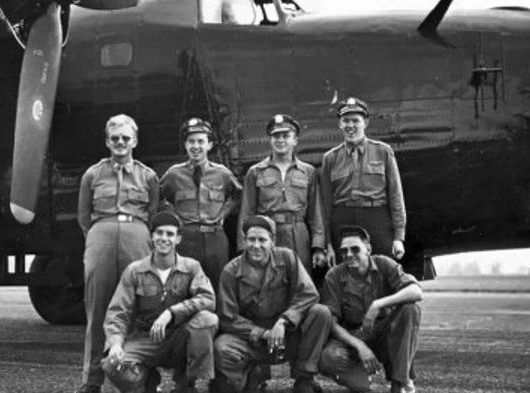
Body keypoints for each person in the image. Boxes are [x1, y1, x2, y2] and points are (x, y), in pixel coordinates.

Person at [74, 114, 159, 393]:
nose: (120, 143)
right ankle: (91, 379)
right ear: (107, 142)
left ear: (134, 141)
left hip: (137, 234)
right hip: (102, 234)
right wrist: (100, 236)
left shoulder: (148, 176)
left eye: (125, 138)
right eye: (115, 138)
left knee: (141, 305)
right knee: (97, 307)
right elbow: (84, 217)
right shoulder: (92, 175)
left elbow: (154, 212)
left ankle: (140, 378)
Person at [101, 212, 217, 393]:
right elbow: (118, 312)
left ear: (178, 238)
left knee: (207, 320)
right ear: (151, 237)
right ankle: (147, 380)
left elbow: (208, 299)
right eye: (160, 233)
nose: (164, 239)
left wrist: (172, 313)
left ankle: (188, 385)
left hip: (180, 337)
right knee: (111, 366)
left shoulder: (191, 267)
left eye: (170, 234)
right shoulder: (135, 271)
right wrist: (115, 344)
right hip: (147, 339)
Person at [214, 215, 333, 393]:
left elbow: (309, 294)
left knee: (320, 313)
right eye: (251, 239)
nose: (256, 245)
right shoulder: (231, 271)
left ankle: (304, 379)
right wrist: (262, 333)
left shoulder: (287, 257)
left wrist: (284, 321)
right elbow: (228, 318)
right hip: (253, 340)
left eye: (262, 240)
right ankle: (252, 374)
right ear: (244, 241)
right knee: (222, 348)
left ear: (272, 241)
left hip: (288, 335)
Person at [319, 225, 422, 393]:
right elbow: (331, 323)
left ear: (368, 249)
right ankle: (360, 381)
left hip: (384, 334)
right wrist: (360, 346)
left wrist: (378, 304)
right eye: (344, 251)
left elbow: (416, 291)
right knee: (328, 358)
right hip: (354, 336)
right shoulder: (333, 276)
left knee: (410, 310)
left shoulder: (384, 263)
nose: (348, 254)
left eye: (355, 249)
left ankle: (399, 383)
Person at [237, 113, 328, 288]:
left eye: (286, 136)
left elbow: (316, 213)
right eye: (276, 136)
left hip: (299, 233)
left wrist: (318, 247)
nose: (280, 140)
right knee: (269, 283)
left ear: (295, 140)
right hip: (267, 235)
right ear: (270, 140)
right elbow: (246, 213)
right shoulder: (255, 172)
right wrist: (243, 248)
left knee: (301, 282)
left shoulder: (308, 172)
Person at [158, 118, 242, 294]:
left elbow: (238, 195)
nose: (196, 146)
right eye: (191, 141)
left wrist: (224, 214)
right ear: (185, 145)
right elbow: (157, 198)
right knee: (184, 288)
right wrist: (172, 216)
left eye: (200, 141)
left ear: (209, 144)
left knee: (219, 287)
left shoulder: (222, 173)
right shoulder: (174, 174)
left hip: (215, 240)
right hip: (186, 240)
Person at [320, 97, 407, 261]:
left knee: (381, 272)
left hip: (376, 220)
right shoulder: (330, 158)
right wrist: (328, 244)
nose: (350, 126)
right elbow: (325, 206)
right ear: (340, 124)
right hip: (342, 222)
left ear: (365, 123)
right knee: (346, 275)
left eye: (355, 120)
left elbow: (396, 196)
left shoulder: (383, 151)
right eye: (345, 121)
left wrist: (398, 238)